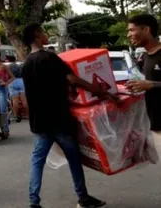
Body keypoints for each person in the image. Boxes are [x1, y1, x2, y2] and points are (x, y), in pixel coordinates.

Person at [21, 23, 117, 208]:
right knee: (74, 159)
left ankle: (34, 202)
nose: (46, 34)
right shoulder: (49, 58)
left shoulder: (26, 64)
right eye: (43, 32)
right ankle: (83, 198)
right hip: (58, 119)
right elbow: (72, 78)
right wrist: (102, 92)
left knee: (37, 162)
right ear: (37, 35)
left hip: (39, 122)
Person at [125, 14, 161, 155]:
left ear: (146, 30)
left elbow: (150, 84)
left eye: (132, 30)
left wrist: (151, 85)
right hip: (156, 124)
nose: (129, 35)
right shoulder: (145, 56)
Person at [6, 56, 27, 122]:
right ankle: (27, 114)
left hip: (12, 81)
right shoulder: (19, 66)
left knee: (15, 101)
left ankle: (15, 115)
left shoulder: (8, 66)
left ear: (8, 60)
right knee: (24, 100)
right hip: (21, 81)